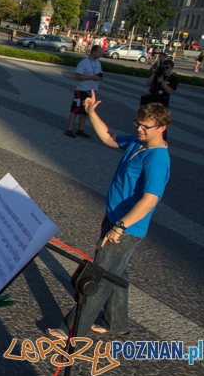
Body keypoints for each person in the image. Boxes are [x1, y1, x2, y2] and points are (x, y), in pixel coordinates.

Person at [49, 96, 171, 341]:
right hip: (115, 219)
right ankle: (116, 322)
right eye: (138, 123)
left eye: (145, 126)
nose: (139, 129)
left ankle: (72, 330)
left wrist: (120, 227)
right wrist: (91, 112)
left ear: (161, 128)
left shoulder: (157, 158)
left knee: (99, 276)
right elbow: (110, 138)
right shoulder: (140, 143)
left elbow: (149, 200)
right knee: (116, 272)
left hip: (125, 228)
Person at [65, 45, 103, 138]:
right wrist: (91, 77)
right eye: (99, 52)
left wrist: (99, 77)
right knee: (75, 110)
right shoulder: (83, 63)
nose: (101, 54)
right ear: (93, 52)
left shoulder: (98, 63)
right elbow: (77, 76)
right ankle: (69, 129)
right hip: (82, 90)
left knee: (85, 111)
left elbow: (99, 74)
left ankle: (80, 129)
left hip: (92, 91)